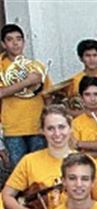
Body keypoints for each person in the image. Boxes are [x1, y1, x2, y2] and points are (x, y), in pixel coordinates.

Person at [1, 105, 97, 209]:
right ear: (42, 131)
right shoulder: (29, 161)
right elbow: (7, 196)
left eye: (61, 127)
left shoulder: (87, 161)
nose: (57, 133)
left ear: (70, 128)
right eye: (50, 128)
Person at [0, 24, 51, 168]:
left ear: (24, 42)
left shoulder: (36, 66)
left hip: (37, 126)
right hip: (13, 128)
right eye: (10, 40)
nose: (15, 43)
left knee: (40, 170)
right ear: (3, 44)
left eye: (19, 39)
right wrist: (27, 82)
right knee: (19, 173)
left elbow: (47, 95)